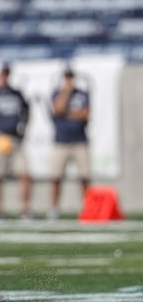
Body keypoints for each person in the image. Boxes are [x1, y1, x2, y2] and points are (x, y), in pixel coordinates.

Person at [0, 63, 32, 219]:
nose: (4, 77)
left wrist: (23, 129)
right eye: (2, 74)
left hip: (14, 138)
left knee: (24, 173)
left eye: (6, 74)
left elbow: (26, 111)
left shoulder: (16, 93)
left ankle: (25, 209)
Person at [48, 67, 90, 220]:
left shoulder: (83, 93)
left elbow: (86, 114)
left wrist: (68, 113)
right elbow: (58, 109)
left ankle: (87, 207)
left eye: (71, 76)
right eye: (67, 77)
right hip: (61, 140)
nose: (69, 79)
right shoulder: (57, 93)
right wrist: (66, 92)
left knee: (84, 176)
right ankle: (54, 208)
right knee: (56, 176)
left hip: (80, 140)